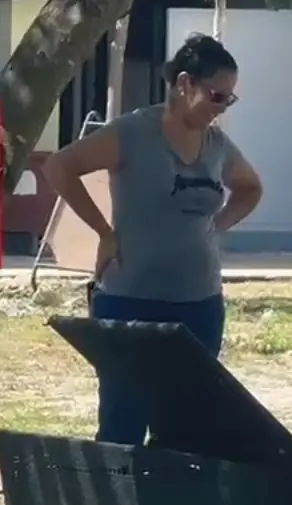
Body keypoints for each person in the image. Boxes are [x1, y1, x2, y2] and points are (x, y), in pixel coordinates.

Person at [42, 34, 263, 446]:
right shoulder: (133, 133)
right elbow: (59, 167)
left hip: (199, 304)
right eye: (216, 96)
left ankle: (170, 489)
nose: (221, 108)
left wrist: (216, 227)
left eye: (229, 100)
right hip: (130, 301)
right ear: (184, 83)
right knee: (122, 422)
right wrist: (103, 232)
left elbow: (251, 188)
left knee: (187, 428)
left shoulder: (217, 144)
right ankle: (119, 491)